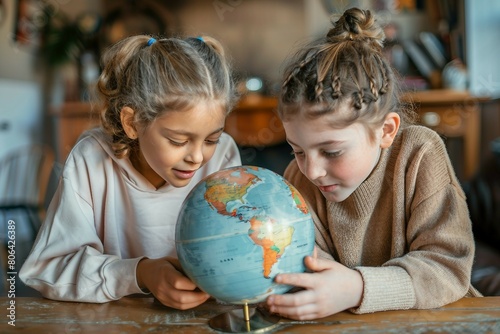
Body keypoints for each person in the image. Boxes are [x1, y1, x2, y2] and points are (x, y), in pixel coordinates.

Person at [266, 8, 481, 320]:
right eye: (297, 151)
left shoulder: (418, 154)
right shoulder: (297, 182)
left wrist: (356, 287)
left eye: (332, 152)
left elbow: (447, 268)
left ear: (386, 131)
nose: (311, 171)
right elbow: (306, 272)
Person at [20, 35, 242, 310]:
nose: (197, 157)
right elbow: (47, 270)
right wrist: (140, 274)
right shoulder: (92, 159)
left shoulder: (223, 155)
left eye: (211, 139)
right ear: (132, 122)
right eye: (178, 141)